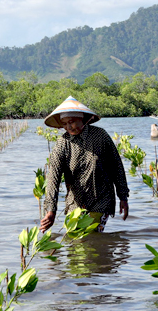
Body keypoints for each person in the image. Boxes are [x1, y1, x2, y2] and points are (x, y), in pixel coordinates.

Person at [40, 96, 129, 233]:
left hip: (101, 198)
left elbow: (116, 166)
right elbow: (53, 178)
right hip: (75, 201)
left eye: (72, 122)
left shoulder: (100, 136)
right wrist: (51, 210)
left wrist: (123, 196)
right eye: (64, 124)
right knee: (74, 240)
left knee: (92, 237)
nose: (68, 127)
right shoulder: (62, 144)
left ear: (83, 119)